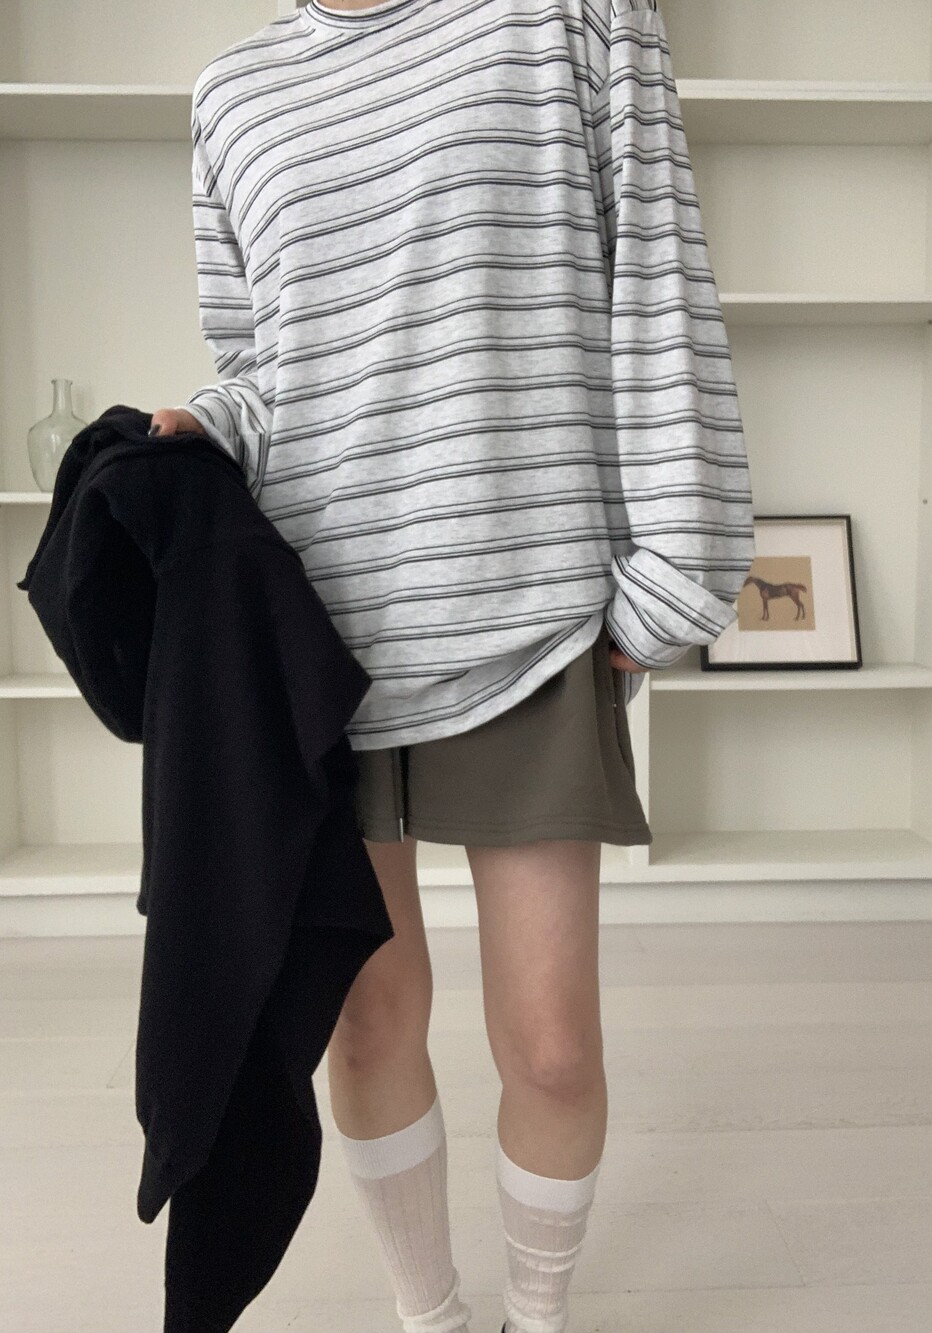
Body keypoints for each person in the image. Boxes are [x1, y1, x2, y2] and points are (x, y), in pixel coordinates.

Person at [151, 2, 756, 1331]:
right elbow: (266, 365)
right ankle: (431, 1319)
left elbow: (656, 278)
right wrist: (205, 424)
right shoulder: (233, 92)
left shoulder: (569, 16)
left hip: (525, 612)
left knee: (551, 1044)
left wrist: (681, 565)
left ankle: (537, 1318)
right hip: (316, 645)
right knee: (367, 1024)